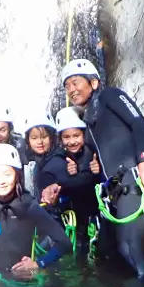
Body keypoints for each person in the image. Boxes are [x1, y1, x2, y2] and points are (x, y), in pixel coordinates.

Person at [60, 58, 144, 280]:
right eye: (67, 86)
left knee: (130, 250)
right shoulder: (87, 119)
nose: (71, 89)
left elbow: (138, 124)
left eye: (76, 82)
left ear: (94, 83)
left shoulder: (110, 96)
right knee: (108, 255)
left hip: (133, 179)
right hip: (114, 187)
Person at [0, 144, 71, 278]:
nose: (1, 181)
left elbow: (64, 242)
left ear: (17, 175)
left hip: (22, 279)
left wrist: (38, 264)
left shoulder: (28, 205)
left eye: (7, 174)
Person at [38, 106, 101, 259]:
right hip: (70, 216)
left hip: (92, 213)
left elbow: (86, 181)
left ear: (83, 134)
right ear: (60, 139)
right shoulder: (59, 157)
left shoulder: (91, 152)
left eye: (76, 136)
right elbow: (47, 174)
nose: (72, 141)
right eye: (66, 137)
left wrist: (93, 172)